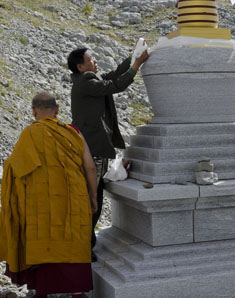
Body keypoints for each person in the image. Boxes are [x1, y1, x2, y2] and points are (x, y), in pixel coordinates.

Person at [0, 92, 98, 298]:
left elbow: (14, 170)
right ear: (58, 110)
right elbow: (90, 166)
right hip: (74, 200)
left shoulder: (29, 134)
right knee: (74, 242)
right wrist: (93, 196)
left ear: (34, 111)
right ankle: (77, 293)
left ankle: (41, 292)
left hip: (41, 206)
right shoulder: (73, 132)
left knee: (43, 240)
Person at [67, 46, 149, 261]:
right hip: (93, 151)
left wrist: (132, 56)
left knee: (95, 198)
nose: (94, 61)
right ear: (80, 66)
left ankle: (86, 245)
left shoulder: (89, 80)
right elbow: (115, 85)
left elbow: (112, 75)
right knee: (92, 201)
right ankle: (84, 247)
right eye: (90, 58)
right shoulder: (86, 81)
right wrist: (136, 65)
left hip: (96, 150)